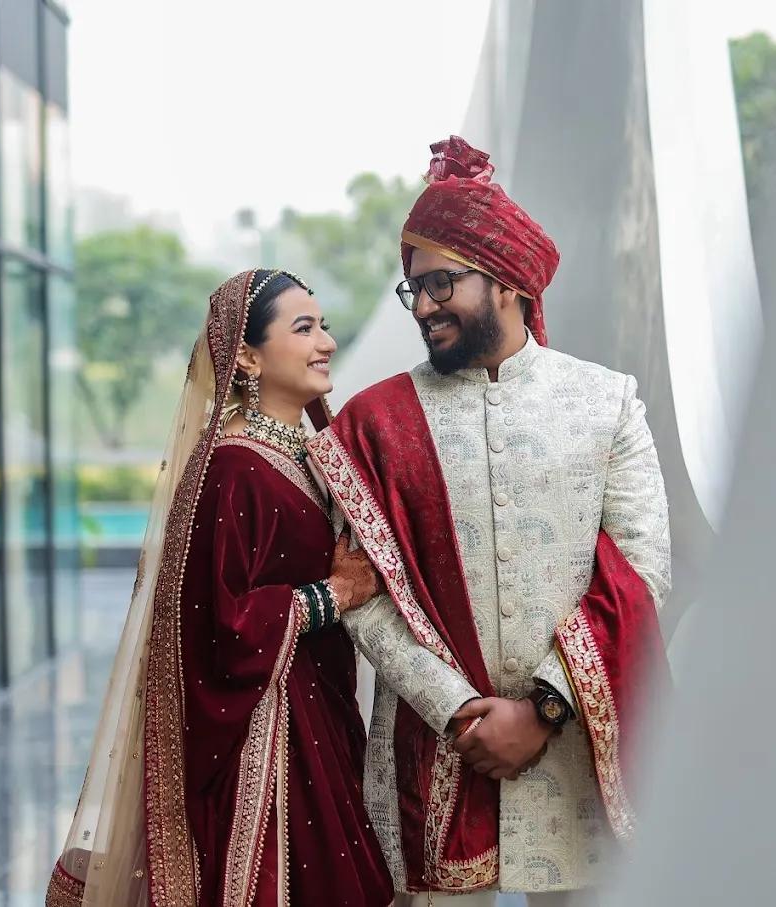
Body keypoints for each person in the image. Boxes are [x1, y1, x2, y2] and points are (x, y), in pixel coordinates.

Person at [306, 137, 672, 904]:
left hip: (574, 752)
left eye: (441, 283)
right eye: (414, 289)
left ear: (505, 280)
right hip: (436, 749)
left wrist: (544, 707)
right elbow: (364, 595)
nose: (424, 306)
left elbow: (639, 569)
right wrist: (458, 712)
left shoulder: (604, 402)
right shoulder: (373, 423)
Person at [46, 269, 394, 907]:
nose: (327, 342)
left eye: (324, 326)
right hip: (270, 735)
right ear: (247, 357)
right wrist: (335, 593)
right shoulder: (234, 468)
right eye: (304, 328)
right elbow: (224, 622)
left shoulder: (307, 456)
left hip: (317, 710)